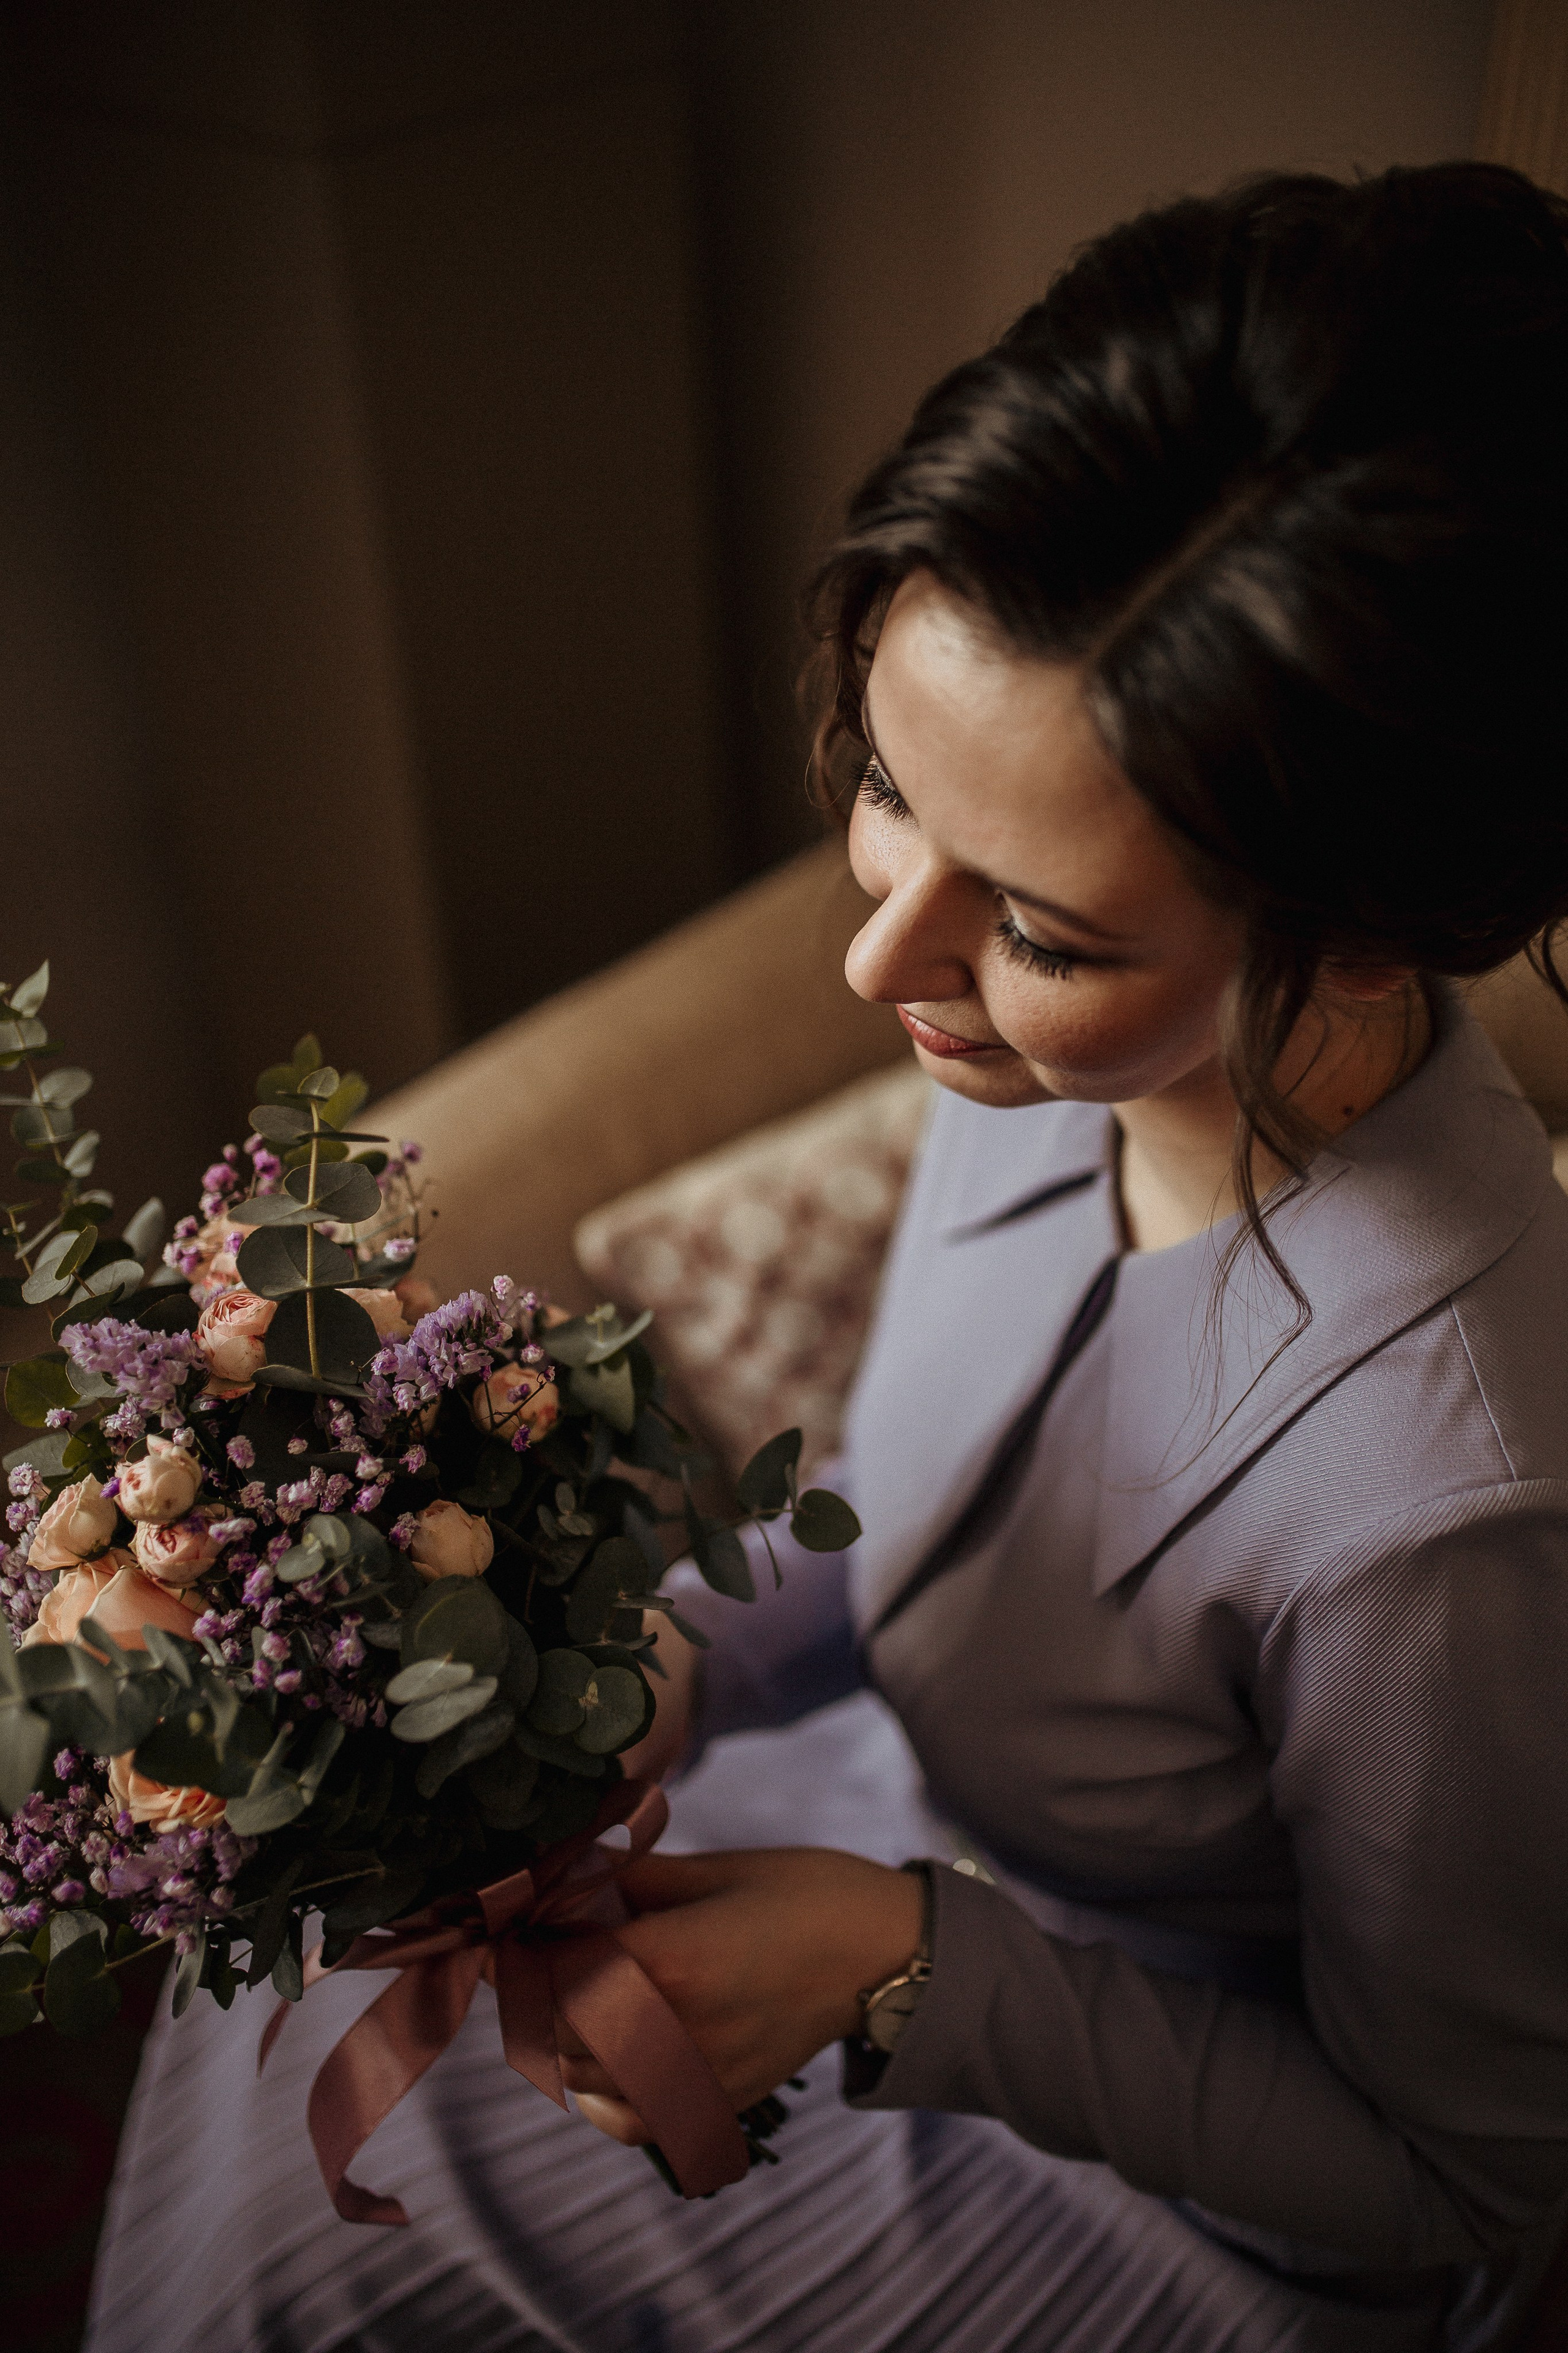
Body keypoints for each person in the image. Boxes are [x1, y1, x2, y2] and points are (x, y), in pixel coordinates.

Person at [88, 162, 1568, 2353]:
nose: (886, 957)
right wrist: (630, 1680)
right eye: (889, 789)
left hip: (1188, 2202)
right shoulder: (1053, 1082)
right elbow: (950, 1528)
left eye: (1044, 927)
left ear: (1365, 922)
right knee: (308, 1999)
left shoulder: (1446, 1516)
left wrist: (904, 1971)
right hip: (894, 1822)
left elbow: (1469, 2193)